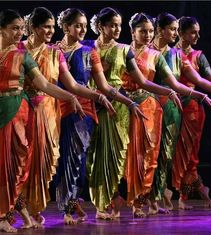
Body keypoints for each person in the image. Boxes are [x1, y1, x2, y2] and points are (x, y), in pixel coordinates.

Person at [19, 7, 116, 227]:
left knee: (59, 162)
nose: (50, 31)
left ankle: (51, 206)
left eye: (52, 27)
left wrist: (100, 98)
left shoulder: (68, 53)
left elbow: (78, 85)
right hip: (35, 109)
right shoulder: (28, 50)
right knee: (32, 162)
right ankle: (20, 208)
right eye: (46, 26)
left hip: (64, 111)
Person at [55, 8, 146, 224]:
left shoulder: (89, 52)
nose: (82, 29)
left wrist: (128, 101)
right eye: (78, 25)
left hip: (84, 108)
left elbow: (105, 87)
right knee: (59, 159)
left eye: (85, 26)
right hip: (54, 106)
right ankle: (71, 202)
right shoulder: (52, 51)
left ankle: (69, 206)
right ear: (66, 26)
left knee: (77, 158)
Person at [125, 12, 211, 217]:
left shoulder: (166, 56)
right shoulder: (125, 51)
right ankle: (119, 200)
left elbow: (183, 83)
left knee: (161, 156)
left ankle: (152, 197)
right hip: (128, 106)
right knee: (131, 155)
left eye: (149, 31)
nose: (175, 33)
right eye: (144, 31)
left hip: (164, 108)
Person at [0, 9, 87, 233]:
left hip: (23, 113)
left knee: (18, 166)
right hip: (8, 112)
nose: (18, 33)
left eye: (20, 28)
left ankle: (10, 213)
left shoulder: (25, 56)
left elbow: (47, 85)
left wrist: (71, 97)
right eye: (14, 28)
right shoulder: (19, 51)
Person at [150, 12, 211, 210]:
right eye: (192, 32)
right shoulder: (152, 51)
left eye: (198, 33)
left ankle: (178, 193)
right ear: (178, 32)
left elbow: (203, 81)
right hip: (155, 106)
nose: (197, 36)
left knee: (180, 154)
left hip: (186, 109)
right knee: (155, 152)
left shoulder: (190, 56)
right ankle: (160, 193)